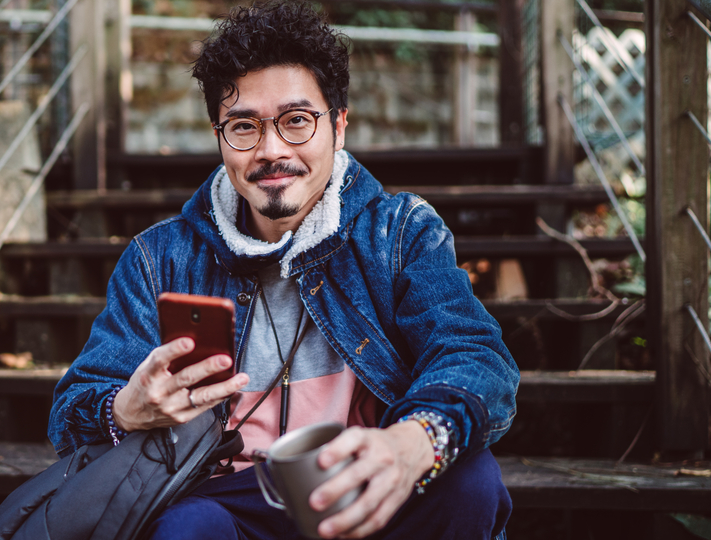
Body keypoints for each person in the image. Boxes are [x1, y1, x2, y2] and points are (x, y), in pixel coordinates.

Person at [49, 2, 518, 538]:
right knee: (188, 528)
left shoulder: (399, 232)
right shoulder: (159, 259)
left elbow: (475, 354)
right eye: (244, 126)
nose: (272, 151)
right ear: (219, 136)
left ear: (339, 126)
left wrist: (413, 442)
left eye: (297, 121)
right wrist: (125, 409)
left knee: (470, 480)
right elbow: (71, 410)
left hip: (364, 482)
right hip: (226, 498)